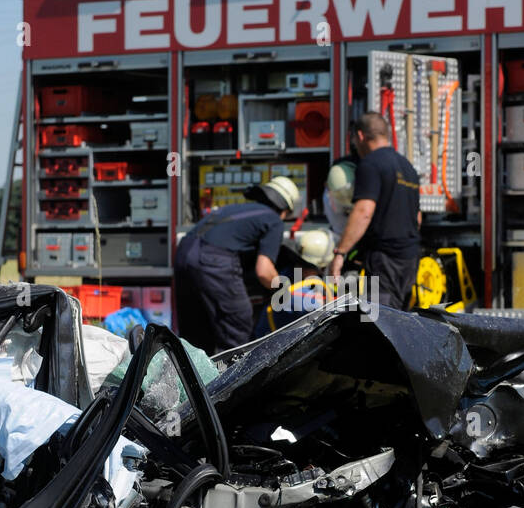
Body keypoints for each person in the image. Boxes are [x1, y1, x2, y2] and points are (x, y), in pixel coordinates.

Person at [174, 174, 299, 353]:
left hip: (184, 252)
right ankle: (236, 370)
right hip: (214, 259)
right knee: (238, 324)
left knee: (196, 332)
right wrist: (286, 291)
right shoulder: (274, 220)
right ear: (285, 210)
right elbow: (264, 271)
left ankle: (192, 368)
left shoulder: (237, 209)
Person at [330, 112, 420, 309]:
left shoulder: (370, 164)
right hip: (410, 260)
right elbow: (417, 218)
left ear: (360, 136)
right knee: (399, 319)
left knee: (379, 320)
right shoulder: (408, 167)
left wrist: (340, 253)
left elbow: (363, 212)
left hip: (385, 261)